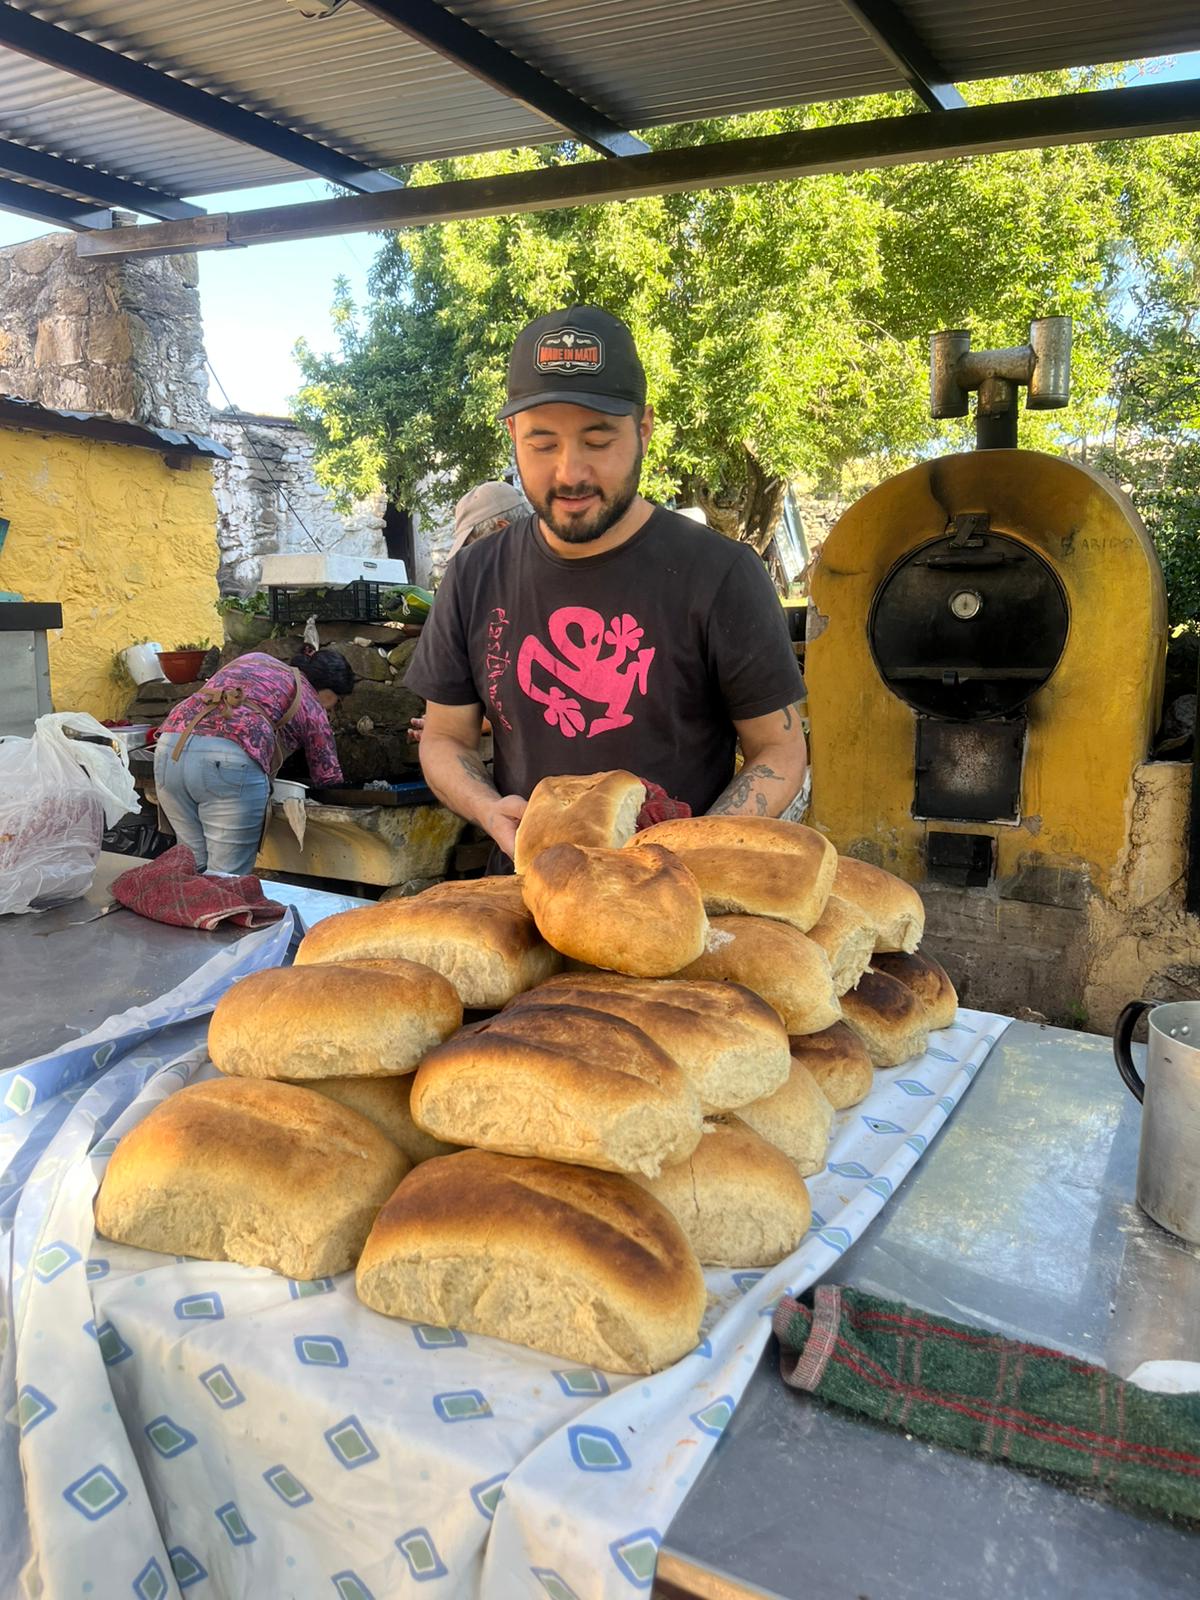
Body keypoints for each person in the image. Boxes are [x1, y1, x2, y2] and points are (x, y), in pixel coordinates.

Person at [405, 305, 808, 863]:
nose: (570, 472)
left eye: (598, 441)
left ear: (643, 429)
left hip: (673, 898)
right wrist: (487, 808)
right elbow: (446, 737)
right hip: (530, 890)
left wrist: (693, 849)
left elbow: (779, 749)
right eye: (543, 444)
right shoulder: (475, 575)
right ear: (513, 435)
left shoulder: (722, 574)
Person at [154, 648, 352, 874]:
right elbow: (328, 775)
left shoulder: (255, 659)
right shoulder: (311, 701)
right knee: (225, 879)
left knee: (191, 867)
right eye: (338, 700)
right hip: (228, 760)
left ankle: (186, 907)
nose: (335, 706)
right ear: (328, 690)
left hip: (170, 748)